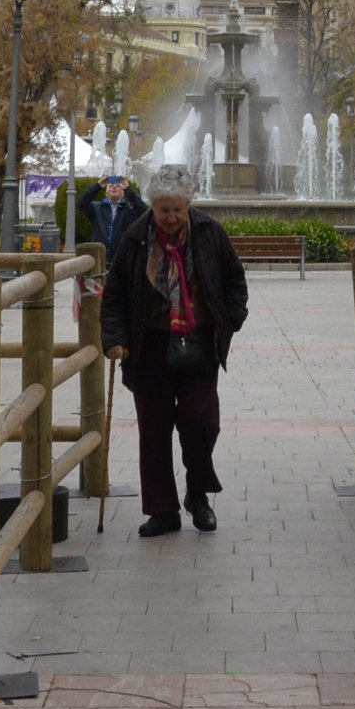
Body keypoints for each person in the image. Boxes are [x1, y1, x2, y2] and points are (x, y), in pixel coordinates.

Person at [102, 164, 248, 538]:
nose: (170, 217)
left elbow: (234, 279)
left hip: (198, 340)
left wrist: (229, 318)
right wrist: (114, 338)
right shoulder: (135, 238)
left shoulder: (209, 232)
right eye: (163, 209)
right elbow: (115, 294)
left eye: (177, 210)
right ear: (152, 206)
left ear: (188, 207)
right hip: (147, 344)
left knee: (201, 420)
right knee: (154, 428)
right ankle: (162, 510)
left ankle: (198, 495)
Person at [89, 174, 145, 256]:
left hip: (123, 258)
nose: (114, 187)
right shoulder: (97, 208)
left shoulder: (131, 209)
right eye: (110, 186)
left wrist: (128, 189)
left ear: (123, 193)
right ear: (106, 193)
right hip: (100, 257)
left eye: (118, 186)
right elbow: (82, 203)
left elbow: (144, 210)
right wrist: (98, 186)